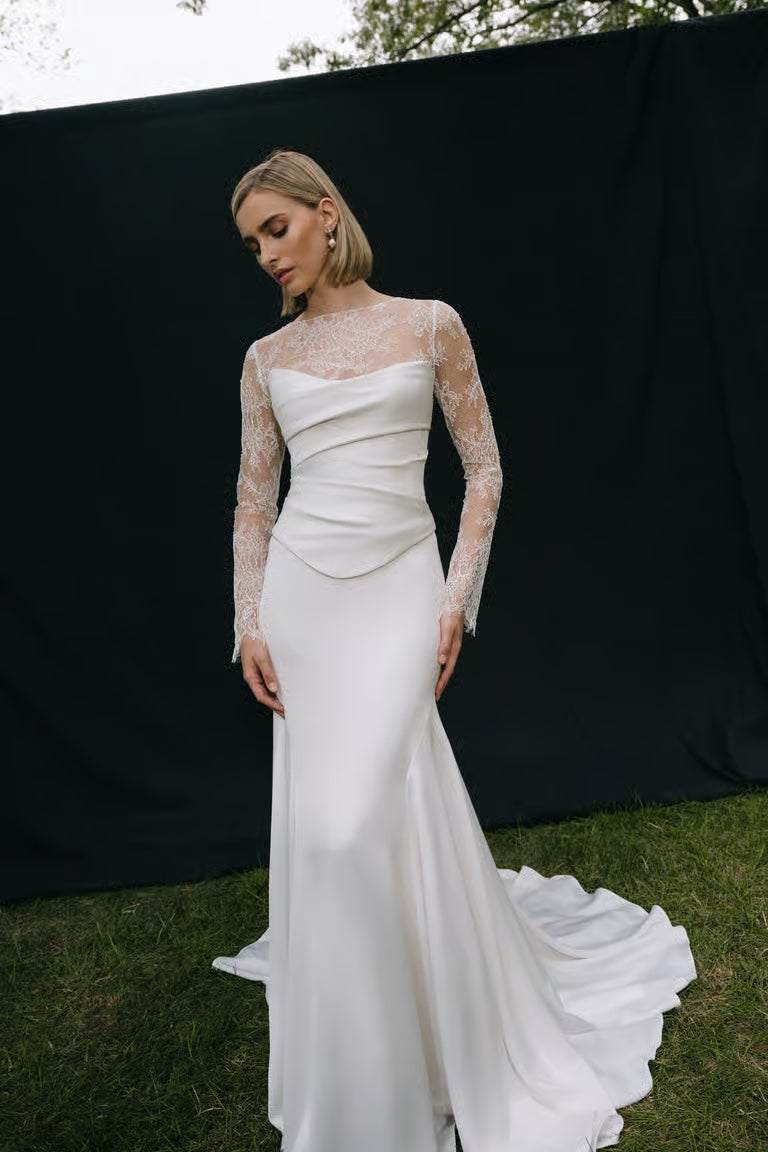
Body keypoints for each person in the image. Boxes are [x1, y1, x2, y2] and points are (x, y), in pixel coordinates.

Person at [212, 149, 696, 1152]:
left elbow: (483, 469)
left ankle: (437, 1041)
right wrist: (247, 619)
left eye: (276, 229)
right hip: (303, 599)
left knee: (358, 822)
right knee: (332, 835)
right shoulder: (265, 361)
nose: (264, 254)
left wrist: (452, 602)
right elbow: (254, 502)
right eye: (251, 241)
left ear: (327, 216)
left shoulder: (430, 324)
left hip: (400, 592)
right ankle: (363, 1063)